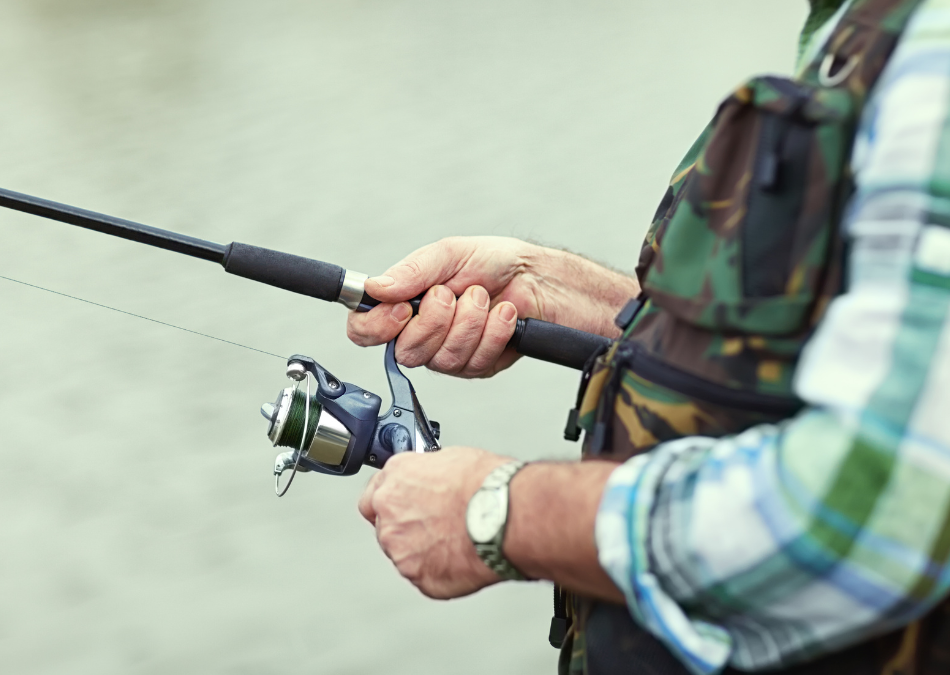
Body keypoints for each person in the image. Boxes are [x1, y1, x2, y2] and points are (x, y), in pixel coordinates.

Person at [347, 1, 950, 674]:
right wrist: (562, 294)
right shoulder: (858, 29)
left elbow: (866, 519)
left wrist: (496, 512)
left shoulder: (934, 55)